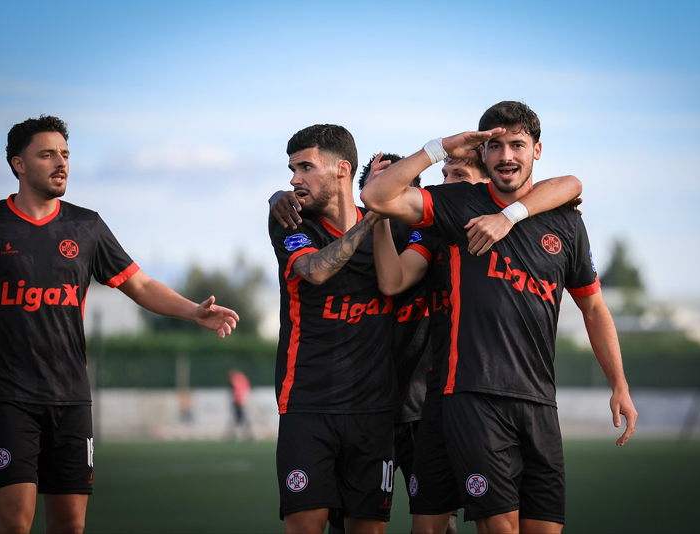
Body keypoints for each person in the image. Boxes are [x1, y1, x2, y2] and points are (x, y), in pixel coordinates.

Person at [362, 101, 637, 534]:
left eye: (517, 145)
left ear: (537, 151)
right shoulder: (457, 204)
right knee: (498, 527)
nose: (507, 155)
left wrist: (619, 384)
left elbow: (594, 306)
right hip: (472, 393)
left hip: (540, 400)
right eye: (496, 146)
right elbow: (376, 198)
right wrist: (441, 147)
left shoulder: (566, 223)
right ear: (483, 154)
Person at [0, 115, 240, 534]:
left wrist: (193, 311)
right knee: (14, 522)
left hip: (71, 398)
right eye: (47, 154)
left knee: (71, 525)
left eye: (65, 154)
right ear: (18, 164)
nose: (61, 163)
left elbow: (141, 284)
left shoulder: (86, 226)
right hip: (8, 395)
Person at [269, 124, 404, 534]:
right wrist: (373, 215)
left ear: (342, 169)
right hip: (308, 408)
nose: (294, 179)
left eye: (306, 167)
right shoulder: (290, 222)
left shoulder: (391, 232)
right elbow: (315, 271)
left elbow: (452, 210)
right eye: (292, 169)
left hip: (374, 413)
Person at [228, 369, 252, 439]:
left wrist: (238, 400)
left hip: (240, 400)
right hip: (243, 399)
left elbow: (238, 391)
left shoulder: (236, 379)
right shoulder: (242, 378)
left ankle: (242, 434)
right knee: (243, 417)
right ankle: (248, 433)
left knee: (240, 417)